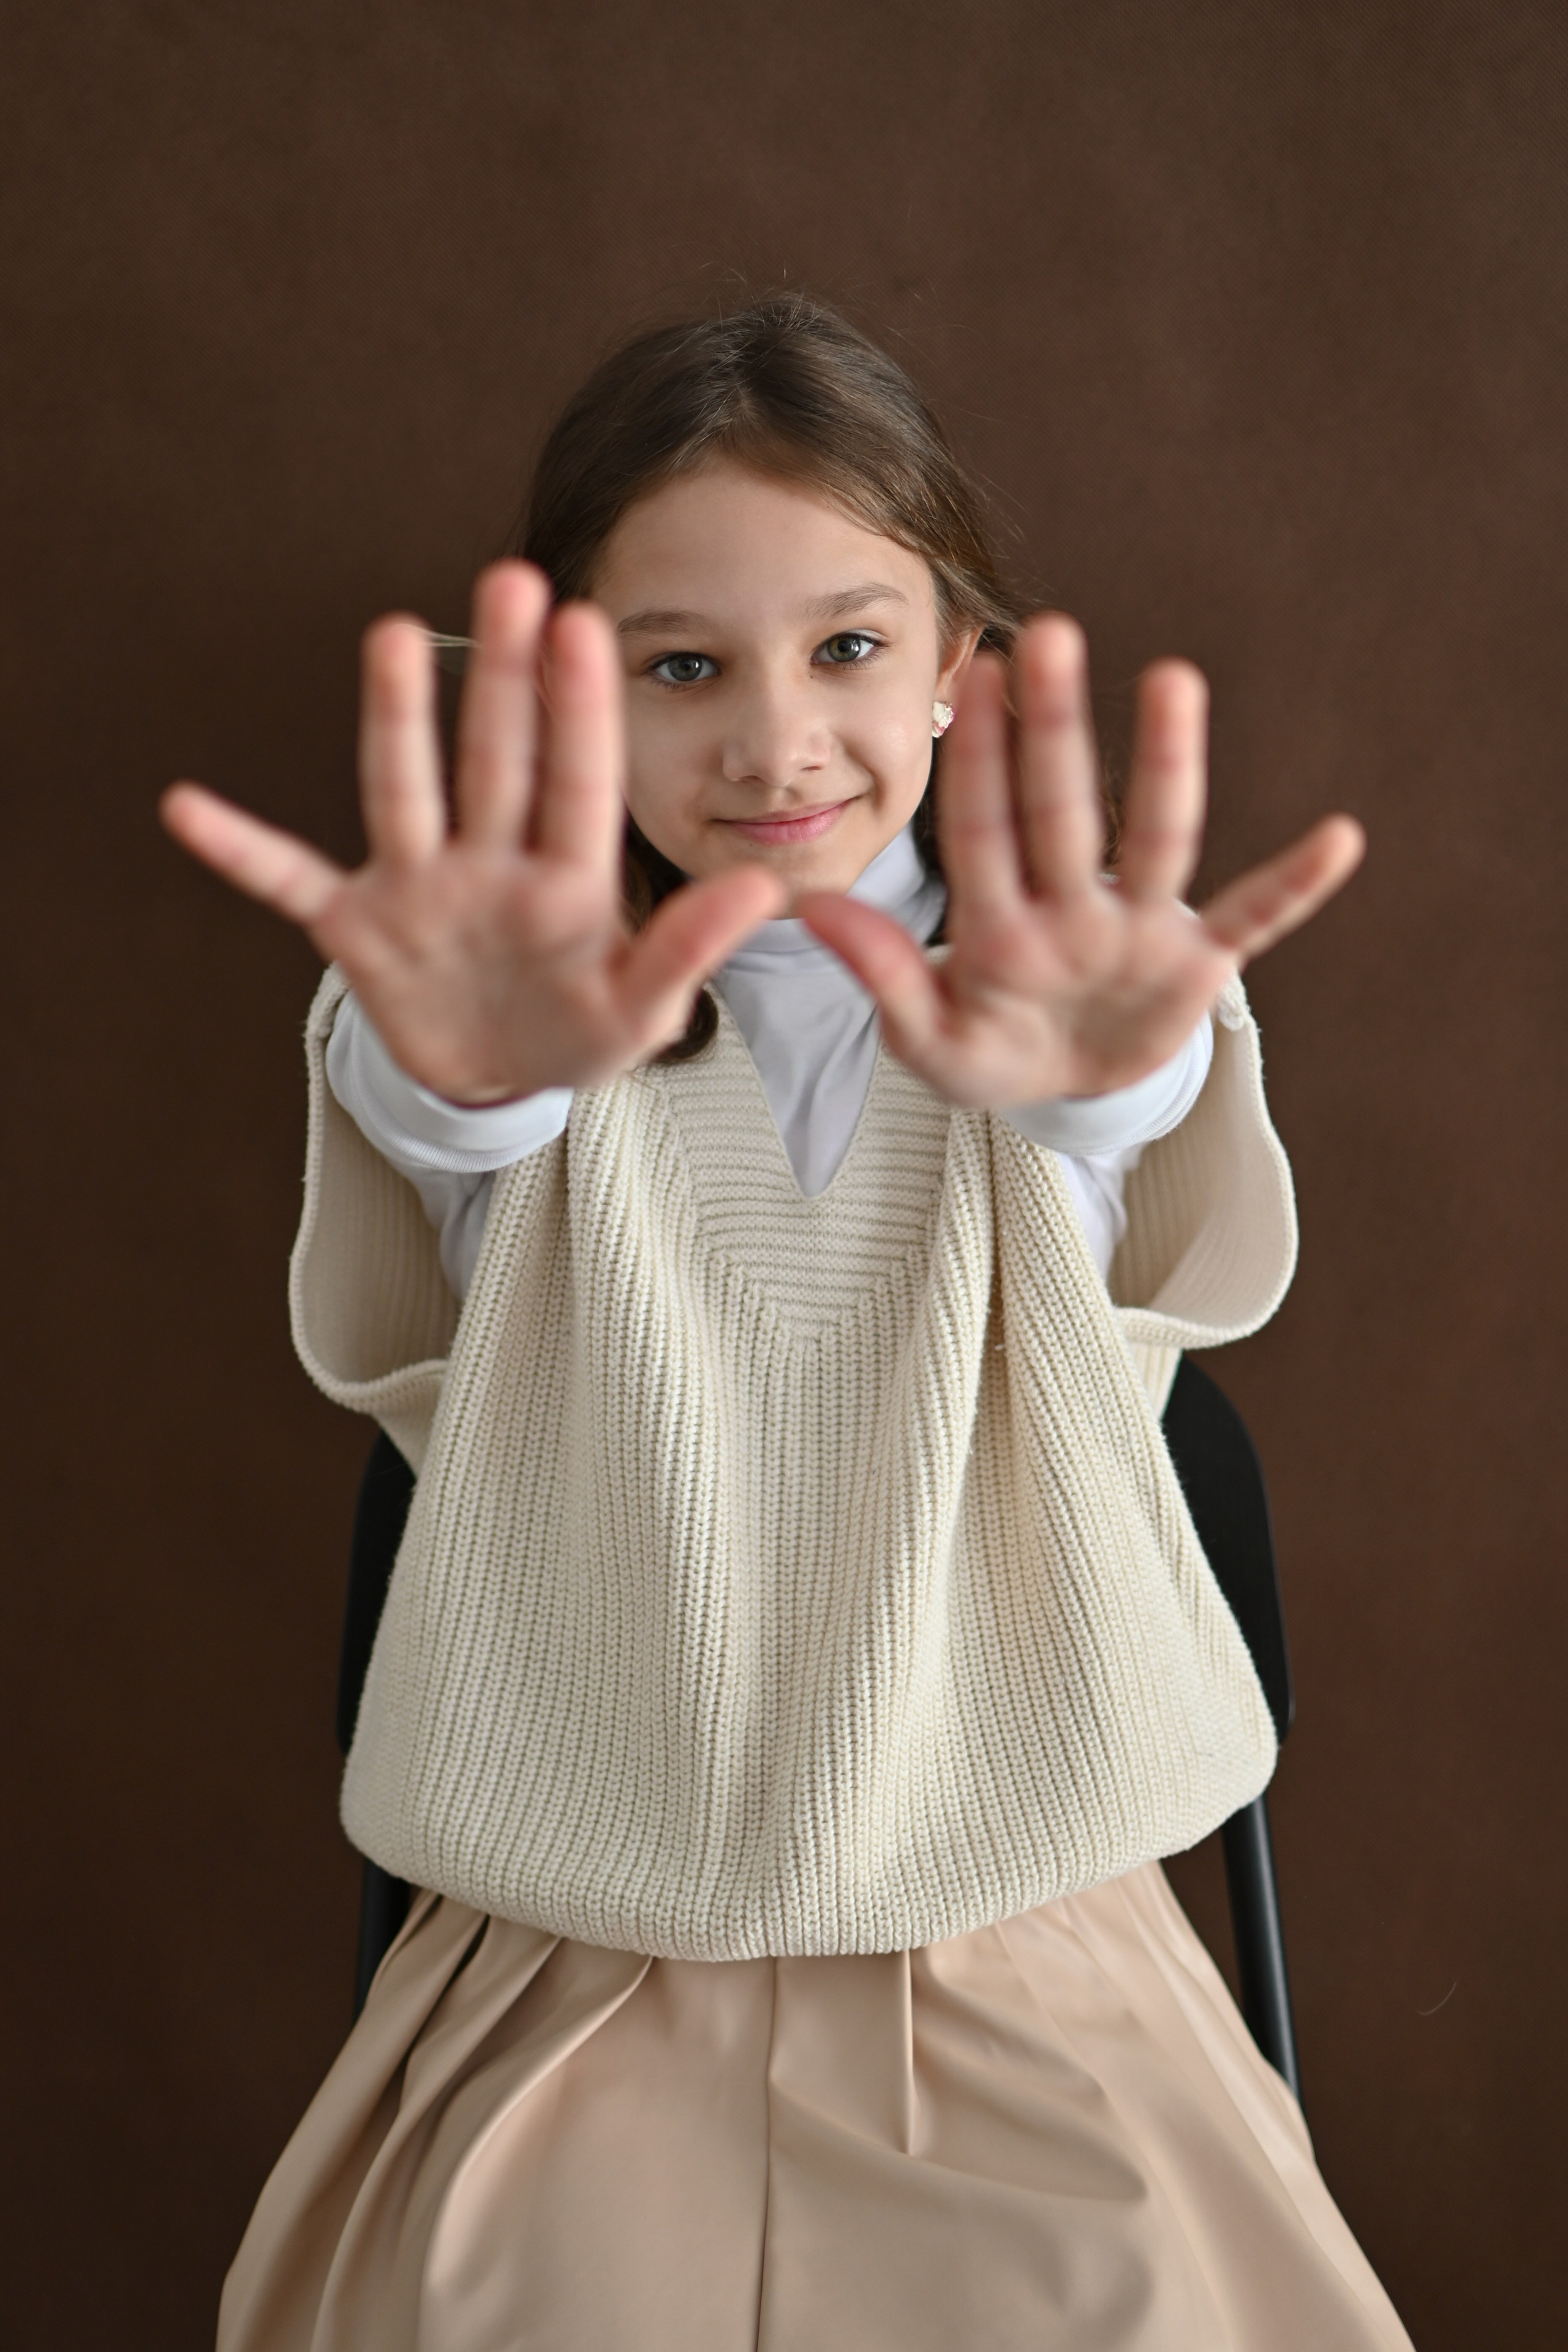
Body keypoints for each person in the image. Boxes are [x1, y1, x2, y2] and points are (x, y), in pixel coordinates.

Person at [164, 295, 1411, 2350]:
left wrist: (1116, 1078)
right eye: (682, 667)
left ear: (958, 676)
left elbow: (1122, 1144)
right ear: (567, 693)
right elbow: (452, 1119)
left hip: (1030, 1953)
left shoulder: (1079, 995)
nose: (772, 742)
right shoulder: (496, 1011)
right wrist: (458, 1078)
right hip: (566, 1971)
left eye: (847, 648)